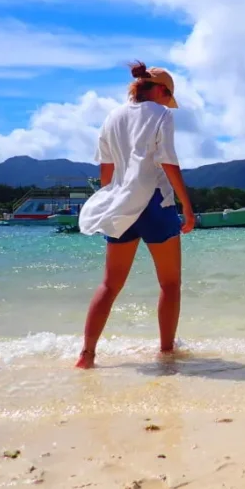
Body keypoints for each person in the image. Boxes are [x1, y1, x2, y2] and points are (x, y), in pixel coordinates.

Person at [74, 61, 196, 369]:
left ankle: (86, 356)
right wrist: (187, 206)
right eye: (168, 96)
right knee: (170, 284)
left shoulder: (112, 116)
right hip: (155, 203)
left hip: (121, 205)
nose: (168, 103)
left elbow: (106, 166)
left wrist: (110, 198)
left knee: (109, 285)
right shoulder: (161, 115)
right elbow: (168, 161)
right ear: (159, 90)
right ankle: (166, 352)